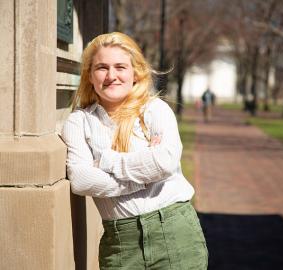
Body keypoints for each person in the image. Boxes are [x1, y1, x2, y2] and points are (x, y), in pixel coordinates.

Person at [61, 32, 208, 269]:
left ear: (135, 73)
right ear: (89, 75)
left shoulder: (154, 109)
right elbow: (81, 180)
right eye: (101, 67)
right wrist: (143, 179)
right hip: (120, 243)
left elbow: (164, 162)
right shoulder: (79, 122)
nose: (111, 76)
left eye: (120, 67)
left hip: (174, 232)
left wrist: (107, 162)